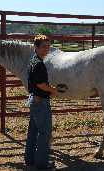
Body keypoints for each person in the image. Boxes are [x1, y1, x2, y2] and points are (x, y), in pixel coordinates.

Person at [25, 34, 58, 170]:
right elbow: (41, 84)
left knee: (33, 131)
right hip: (40, 102)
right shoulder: (39, 64)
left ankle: (30, 159)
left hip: (34, 100)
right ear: (36, 47)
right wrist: (53, 90)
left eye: (48, 47)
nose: (47, 49)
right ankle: (42, 164)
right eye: (44, 47)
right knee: (45, 133)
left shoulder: (33, 60)